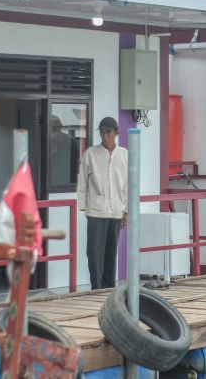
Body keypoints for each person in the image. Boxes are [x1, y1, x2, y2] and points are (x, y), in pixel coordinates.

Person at [77, 116, 128, 289]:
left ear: (116, 133)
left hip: (116, 211)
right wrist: (83, 207)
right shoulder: (90, 153)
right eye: (102, 132)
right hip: (95, 211)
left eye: (108, 132)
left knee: (110, 253)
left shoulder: (124, 155)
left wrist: (126, 210)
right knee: (93, 252)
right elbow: (82, 182)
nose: (105, 135)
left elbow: (128, 184)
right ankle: (96, 288)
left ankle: (108, 289)